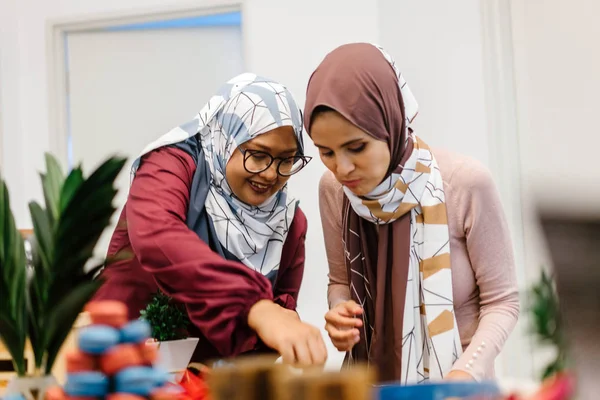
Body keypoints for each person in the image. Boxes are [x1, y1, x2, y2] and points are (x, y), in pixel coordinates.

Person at [303, 43, 519, 383]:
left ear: (391, 122)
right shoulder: (332, 189)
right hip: (367, 387)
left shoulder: (463, 183)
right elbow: (341, 281)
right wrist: (338, 312)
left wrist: (467, 369)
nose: (342, 168)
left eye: (356, 147)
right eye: (325, 151)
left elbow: (503, 302)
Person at [94, 73, 327, 367]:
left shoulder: (287, 222)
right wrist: (256, 307)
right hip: (125, 369)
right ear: (226, 138)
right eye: (258, 155)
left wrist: (284, 323)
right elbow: (159, 237)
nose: (271, 174)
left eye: (286, 160)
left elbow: (267, 338)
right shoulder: (171, 166)